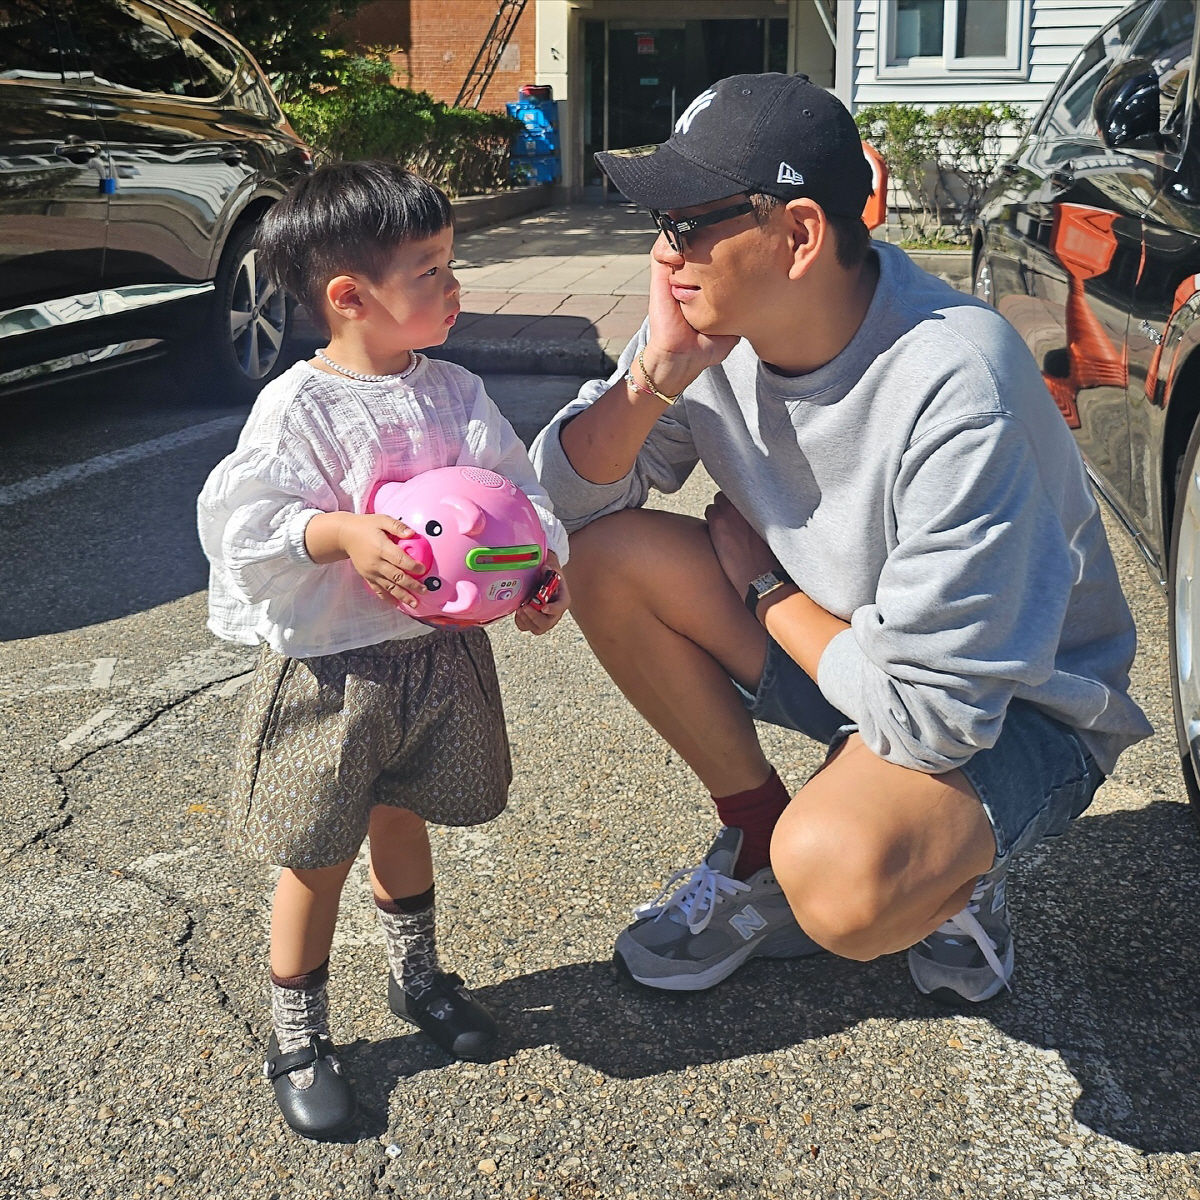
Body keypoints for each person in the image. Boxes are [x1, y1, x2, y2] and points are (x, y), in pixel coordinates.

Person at [530, 73, 1151, 1006]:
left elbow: (937, 720)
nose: (665, 257)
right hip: (856, 653)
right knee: (608, 559)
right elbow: (559, 509)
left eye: (688, 222)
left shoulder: (957, 382)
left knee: (839, 879)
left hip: (1010, 710)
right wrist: (652, 378)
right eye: (659, 223)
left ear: (801, 234)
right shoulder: (708, 330)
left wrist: (769, 596)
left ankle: (955, 867)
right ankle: (754, 833)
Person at [197, 161, 569, 1140]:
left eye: (453, 265)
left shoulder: (456, 392)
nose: (455, 288)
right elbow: (246, 519)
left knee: (406, 822)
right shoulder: (300, 408)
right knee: (314, 854)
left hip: (436, 663)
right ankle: (298, 1035)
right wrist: (338, 534)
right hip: (334, 668)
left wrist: (537, 572)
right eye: (432, 270)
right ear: (350, 298)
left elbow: (516, 494)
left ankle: (416, 979)